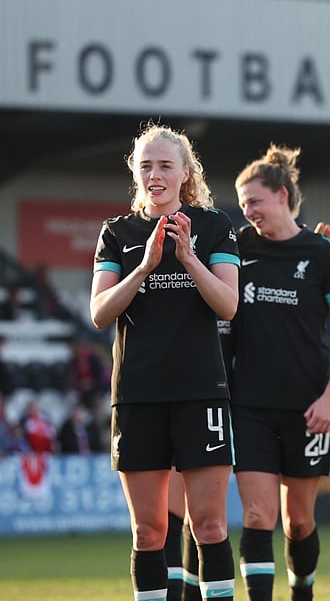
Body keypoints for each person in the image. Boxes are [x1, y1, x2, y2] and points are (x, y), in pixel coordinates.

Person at [91, 124, 239, 601]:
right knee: (148, 532)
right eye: (146, 165)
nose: (155, 174)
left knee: (209, 524)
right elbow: (99, 312)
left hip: (201, 392)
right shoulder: (117, 233)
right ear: (135, 172)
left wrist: (189, 258)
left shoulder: (215, 226)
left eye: (164, 165)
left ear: (185, 173)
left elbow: (228, 305)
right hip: (137, 394)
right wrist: (145, 265)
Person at [229, 145, 330, 601]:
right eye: (243, 205)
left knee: (298, 521)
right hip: (249, 408)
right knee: (258, 517)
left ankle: (303, 590)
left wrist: (329, 400)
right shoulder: (237, 248)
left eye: (255, 202)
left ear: (282, 195)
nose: (248, 212)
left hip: (308, 408)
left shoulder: (323, 252)